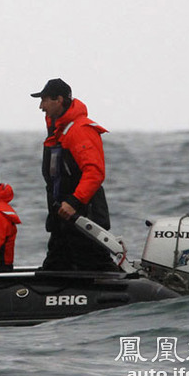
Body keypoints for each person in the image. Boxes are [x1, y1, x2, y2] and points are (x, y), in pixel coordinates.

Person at [31, 78, 118, 271]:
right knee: (54, 268)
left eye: (44, 100)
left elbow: (94, 173)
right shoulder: (58, 133)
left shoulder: (79, 130)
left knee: (96, 266)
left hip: (82, 216)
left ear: (59, 100)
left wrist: (73, 202)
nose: (41, 106)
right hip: (62, 219)